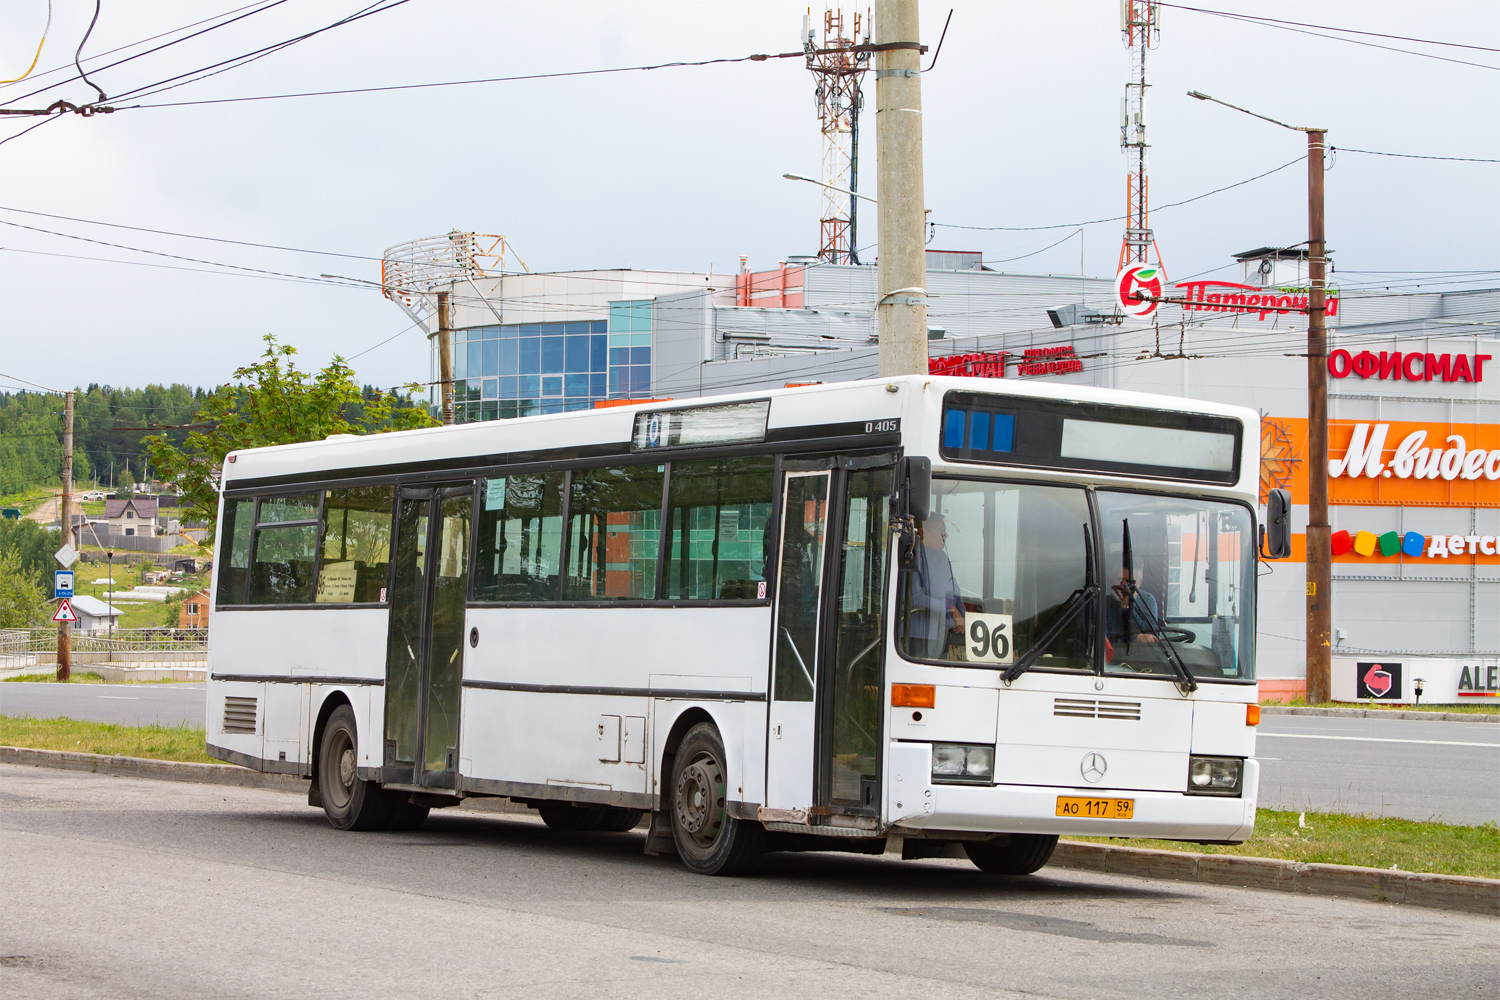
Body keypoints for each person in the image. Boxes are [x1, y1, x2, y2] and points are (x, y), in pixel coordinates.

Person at [904, 514, 965, 660]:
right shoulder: (912, 556)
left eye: (945, 530)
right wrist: (950, 609)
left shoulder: (942, 558)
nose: (945, 535)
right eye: (940, 530)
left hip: (941, 633)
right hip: (916, 634)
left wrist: (962, 613)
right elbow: (915, 597)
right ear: (923, 531)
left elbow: (952, 592)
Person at [1107, 565, 1160, 651]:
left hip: (1140, 655)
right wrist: (1135, 637)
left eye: (1129, 582)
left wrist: (1129, 607)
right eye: (1118, 579)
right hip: (1109, 654)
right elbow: (1100, 634)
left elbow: (1152, 635)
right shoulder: (1104, 600)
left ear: (1139, 583)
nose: (1122, 586)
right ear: (1112, 579)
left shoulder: (1147, 600)